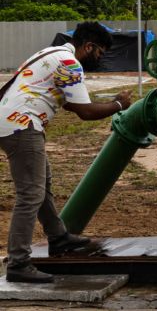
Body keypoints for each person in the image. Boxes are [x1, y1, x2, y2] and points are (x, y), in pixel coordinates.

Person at [0, 22, 132, 283]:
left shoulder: (50, 53)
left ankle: (59, 238)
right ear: (89, 46)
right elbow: (84, 112)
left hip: (13, 122)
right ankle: (18, 263)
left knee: (42, 185)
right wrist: (118, 104)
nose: (100, 58)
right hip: (21, 125)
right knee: (31, 195)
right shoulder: (70, 63)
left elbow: (70, 104)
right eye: (100, 53)